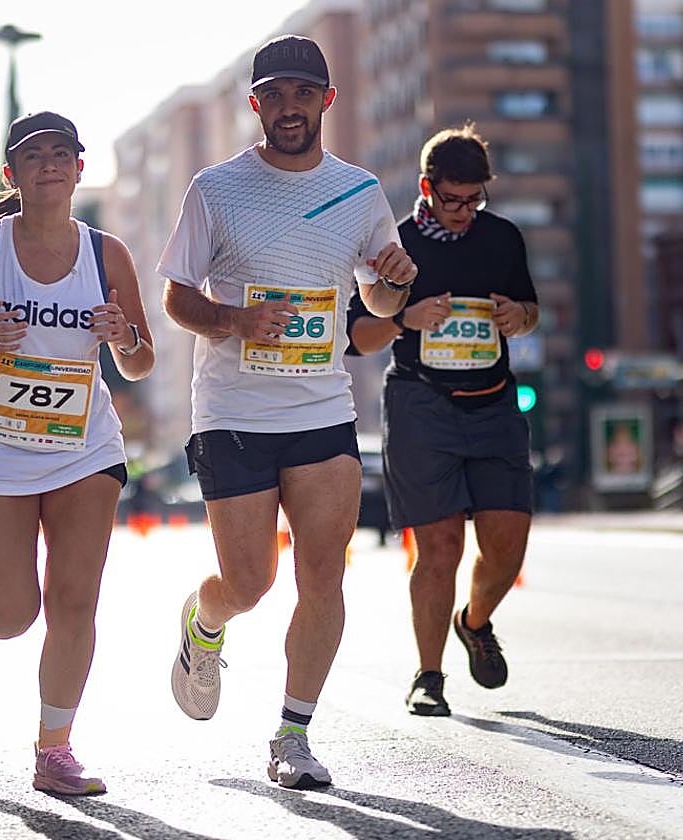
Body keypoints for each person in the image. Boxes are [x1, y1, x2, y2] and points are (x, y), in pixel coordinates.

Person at [158, 35, 416, 789]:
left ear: (326, 101)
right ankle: (204, 627)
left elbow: (376, 300)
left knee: (323, 576)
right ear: (256, 106)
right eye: (275, 94)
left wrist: (396, 283)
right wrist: (236, 322)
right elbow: (175, 296)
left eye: (303, 93)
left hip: (321, 408)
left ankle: (292, 737)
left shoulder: (361, 192)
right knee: (248, 584)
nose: (289, 106)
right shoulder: (216, 189)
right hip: (233, 411)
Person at [0, 110, 154, 795]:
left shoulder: (108, 254)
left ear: (79, 169)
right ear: (12, 175)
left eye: (62, 154)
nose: (49, 163)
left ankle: (55, 749)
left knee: (74, 600)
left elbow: (140, 364)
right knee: (14, 613)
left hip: (85, 447)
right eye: (33, 155)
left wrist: (124, 338)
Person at [347, 124, 540, 717]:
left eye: (474, 199)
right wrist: (408, 317)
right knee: (439, 548)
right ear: (427, 188)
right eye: (452, 199)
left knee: (507, 546)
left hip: (494, 401)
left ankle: (474, 621)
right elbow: (357, 336)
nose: (462, 212)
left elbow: (531, 310)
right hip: (421, 403)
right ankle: (428, 676)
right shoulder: (396, 246)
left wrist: (517, 316)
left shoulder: (502, 238)